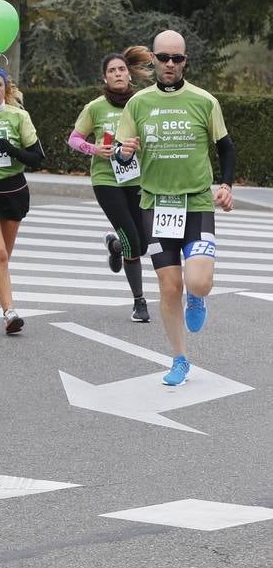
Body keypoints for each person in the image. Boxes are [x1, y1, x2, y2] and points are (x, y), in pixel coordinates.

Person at [115, 30, 235, 387]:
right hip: (155, 204)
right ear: (153, 59)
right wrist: (125, 152)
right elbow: (122, 154)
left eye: (176, 59)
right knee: (169, 287)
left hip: (196, 202)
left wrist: (226, 185)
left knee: (197, 281)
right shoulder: (138, 104)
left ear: (186, 62)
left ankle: (197, 299)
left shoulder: (204, 101)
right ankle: (180, 359)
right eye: (163, 58)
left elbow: (226, 147)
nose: (169, 64)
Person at [69, 47, 155, 323]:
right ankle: (139, 302)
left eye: (121, 69)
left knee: (141, 245)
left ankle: (115, 246)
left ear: (128, 73)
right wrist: (95, 149)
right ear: (105, 78)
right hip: (107, 181)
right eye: (111, 71)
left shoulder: (142, 103)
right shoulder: (95, 107)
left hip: (138, 180)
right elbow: (74, 139)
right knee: (133, 240)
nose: (117, 74)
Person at [0, 66, 45, 334]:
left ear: (5, 89)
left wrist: (12, 150)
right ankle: (10, 312)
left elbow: (37, 159)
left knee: (2, 258)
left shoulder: (18, 116)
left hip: (13, 192)